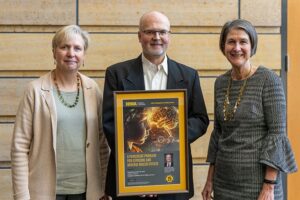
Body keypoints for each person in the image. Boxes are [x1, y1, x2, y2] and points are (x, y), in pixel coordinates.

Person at [102, 11, 209, 200]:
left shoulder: (189, 75)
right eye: (150, 32)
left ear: (169, 36)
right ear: (139, 36)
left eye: (162, 32)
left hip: (173, 174)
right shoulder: (116, 73)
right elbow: (110, 123)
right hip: (131, 176)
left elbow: (200, 119)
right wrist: (144, 167)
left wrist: (172, 138)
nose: (156, 37)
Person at [201, 19, 298, 200]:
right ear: (223, 46)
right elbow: (218, 133)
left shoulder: (269, 80)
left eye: (243, 42)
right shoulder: (220, 83)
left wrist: (269, 186)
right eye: (231, 41)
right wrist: (209, 180)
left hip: (259, 185)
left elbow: (276, 135)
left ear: (252, 46)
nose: (237, 48)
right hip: (224, 182)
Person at [11, 25, 110, 200]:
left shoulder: (92, 89)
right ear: (54, 53)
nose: (71, 53)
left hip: (87, 192)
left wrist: (104, 188)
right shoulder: (34, 90)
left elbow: (102, 144)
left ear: (84, 55)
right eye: (64, 47)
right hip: (44, 191)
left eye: (77, 48)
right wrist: (21, 196)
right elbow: (19, 147)